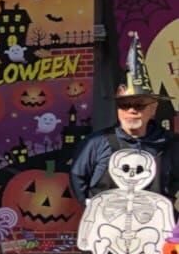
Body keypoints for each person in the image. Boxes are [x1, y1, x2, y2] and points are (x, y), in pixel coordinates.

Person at [70, 35, 179, 225]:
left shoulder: (171, 143)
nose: (131, 110)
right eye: (124, 104)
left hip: (156, 233)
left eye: (139, 104)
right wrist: (92, 208)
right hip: (108, 231)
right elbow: (78, 176)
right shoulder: (97, 142)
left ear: (152, 109)